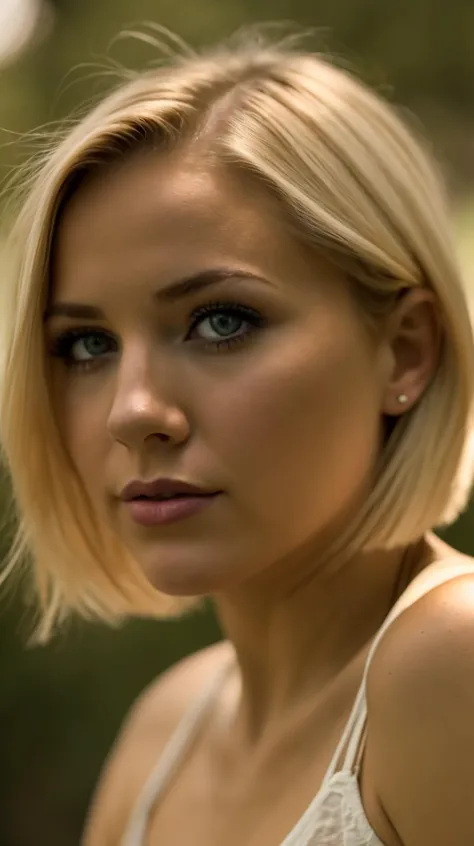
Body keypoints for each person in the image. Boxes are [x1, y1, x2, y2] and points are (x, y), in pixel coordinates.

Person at [1, 26, 474, 846]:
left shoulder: (453, 664)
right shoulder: (164, 731)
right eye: (87, 344)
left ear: (406, 348)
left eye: (221, 321)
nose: (132, 411)